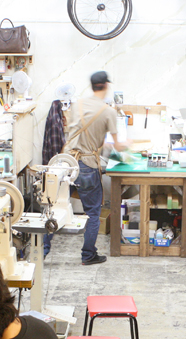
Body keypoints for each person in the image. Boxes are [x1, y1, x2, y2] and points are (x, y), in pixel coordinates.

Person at [44, 70, 127, 265]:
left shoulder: (77, 104)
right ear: (106, 86)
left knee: (54, 208)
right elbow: (117, 144)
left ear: (92, 86)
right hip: (87, 166)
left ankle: (42, 251)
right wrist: (128, 144)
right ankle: (88, 255)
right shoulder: (108, 111)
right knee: (93, 214)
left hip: (65, 163)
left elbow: (79, 131)